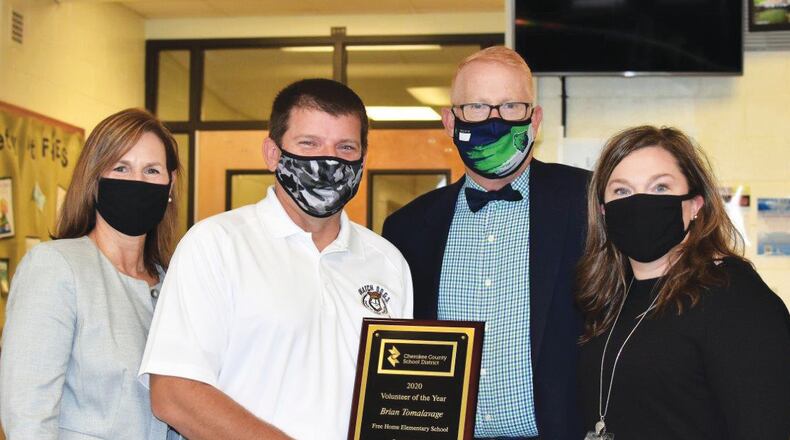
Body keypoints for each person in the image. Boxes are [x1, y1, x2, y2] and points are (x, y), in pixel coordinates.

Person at [139, 78, 413, 440]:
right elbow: (174, 394)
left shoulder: (388, 263)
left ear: (363, 159)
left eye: (345, 148)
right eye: (309, 144)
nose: (327, 162)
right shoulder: (216, 245)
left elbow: (395, 399)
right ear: (272, 154)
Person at [382, 46, 587, 439]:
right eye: (476, 107)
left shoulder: (588, 202)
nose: (494, 121)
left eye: (511, 106)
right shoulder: (407, 228)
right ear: (449, 121)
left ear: (535, 119)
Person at [576, 126, 790, 440]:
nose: (640, 203)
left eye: (660, 187)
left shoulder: (733, 295)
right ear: (603, 211)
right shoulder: (608, 298)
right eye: (622, 191)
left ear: (695, 204)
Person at [0, 108, 181, 439]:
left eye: (152, 170)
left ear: (170, 185)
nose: (137, 182)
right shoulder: (56, 268)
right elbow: (28, 416)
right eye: (121, 168)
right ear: (94, 179)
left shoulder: (173, 283)